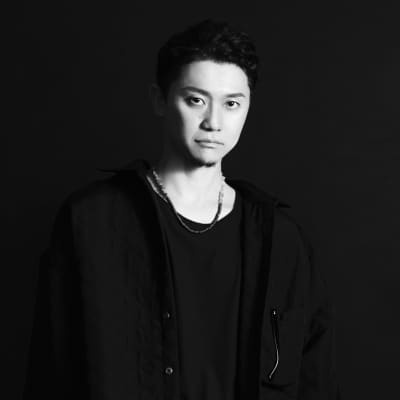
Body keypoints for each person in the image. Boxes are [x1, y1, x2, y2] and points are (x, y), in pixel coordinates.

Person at [23, 19, 341, 400]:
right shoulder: (91, 222)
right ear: (159, 99)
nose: (214, 122)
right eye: (196, 100)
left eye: (232, 104)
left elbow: (316, 381)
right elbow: (51, 374)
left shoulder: (282, 241)